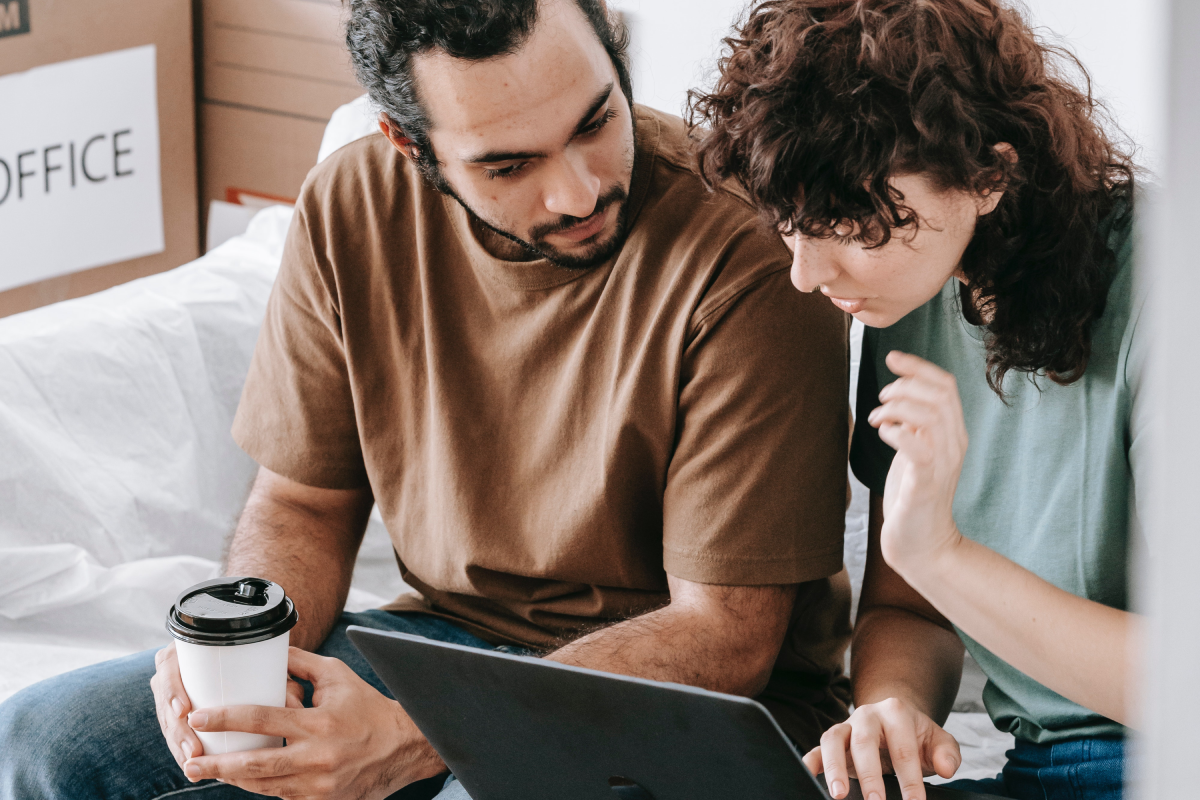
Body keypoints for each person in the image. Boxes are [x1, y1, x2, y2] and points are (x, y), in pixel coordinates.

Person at [0, 1, 857, 799]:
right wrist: (245, 659)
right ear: (412, 150)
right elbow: (303, 502)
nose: (580, 190)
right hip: (445, 650)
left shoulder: (748, 250)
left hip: (691, 705)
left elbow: (728, 637)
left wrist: (419, 737)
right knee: (36, 740)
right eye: (508, 164)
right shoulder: (352, 203)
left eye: (596, 120)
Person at [689, 1, 1144, 799]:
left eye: (846, 222)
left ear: (990, 176)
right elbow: (914, 608)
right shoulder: (919, 293)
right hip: (1036, 767)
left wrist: (941, 554)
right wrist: (888, 714)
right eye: (791, 222)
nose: (806, 273)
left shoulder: (1170, 282)